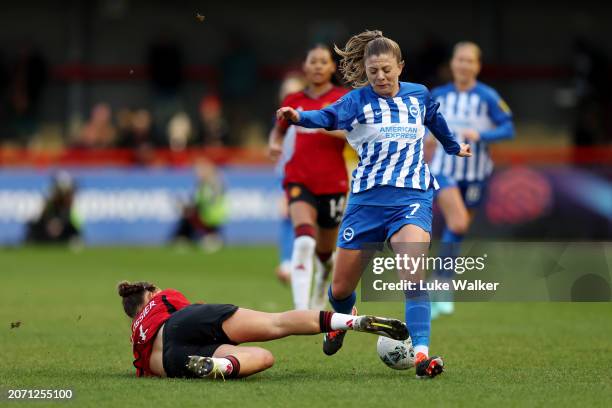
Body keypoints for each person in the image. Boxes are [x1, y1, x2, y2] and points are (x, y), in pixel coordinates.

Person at [277, 30, 471, 378]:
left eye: (386, 69)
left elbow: (435, 121)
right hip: (366, 202)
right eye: (373, 72)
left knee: (413, 273)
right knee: (340, 289)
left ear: (400, 66)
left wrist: (454, 147)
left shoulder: (419, 96)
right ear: (365, 72)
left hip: (412, 197)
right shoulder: (357, 101)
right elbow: (326, 117)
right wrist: (300, 117)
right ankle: (340, 321)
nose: (380, 77)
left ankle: (423, 355)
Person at [117, 281, 408, 379]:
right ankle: (348, 321)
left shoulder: (136, 338)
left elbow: (143, 369)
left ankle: (222, 367)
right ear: (150, 291)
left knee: (262, 356)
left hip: (170, 363)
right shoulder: (162, 298)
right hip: (182, 324)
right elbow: (190, 313)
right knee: (276, 322)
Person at [426, 42, 514, 318]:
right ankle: (442, 285)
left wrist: (482, 136)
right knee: (458, 221)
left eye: (469, 61)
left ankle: (438, 283)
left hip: (476, 175)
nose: (463, 65)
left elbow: (508, 129)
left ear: (477, 65)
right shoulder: (438, 95)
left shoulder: (487, 96)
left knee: (458, 231)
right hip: (444, 170)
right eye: (459, 60)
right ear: (452, 64)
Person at [268, 44, 349, 311]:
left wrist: (323, 125)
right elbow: (279, 130)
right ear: (305, 67)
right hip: (298, 179)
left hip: (333, 183)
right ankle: (301, 311)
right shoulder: (292, 99)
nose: (317, 66)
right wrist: (275, 143)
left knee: (325, 255)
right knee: (303, 239)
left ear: (331, 67)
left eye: (322, 62)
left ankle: (317, 296)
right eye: (312, 61)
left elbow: (355, 134)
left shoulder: (343, 98)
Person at [26, 171, 82, 243]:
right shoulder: (49, 202)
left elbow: (74, 224)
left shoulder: (70, 207)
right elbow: (41, 218)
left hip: (66, 231)